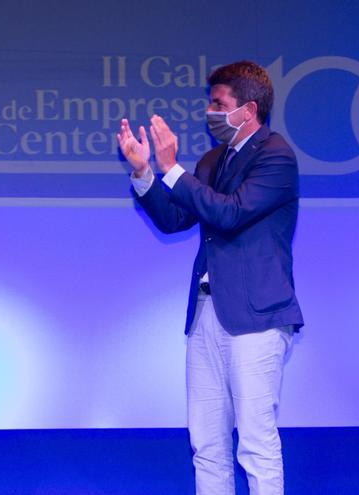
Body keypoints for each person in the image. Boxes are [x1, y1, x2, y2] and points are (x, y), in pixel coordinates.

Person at [117, 60, 304, 495]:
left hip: (256, 316)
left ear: (248, 109)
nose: (210, 112)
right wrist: (146, 172)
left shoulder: (276, 156)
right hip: (206, 316)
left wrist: (173, 169)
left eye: (219, 103)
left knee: (255, 444)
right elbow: (175, 217)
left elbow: (231, 214)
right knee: (207, 445)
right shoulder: (213, 159)